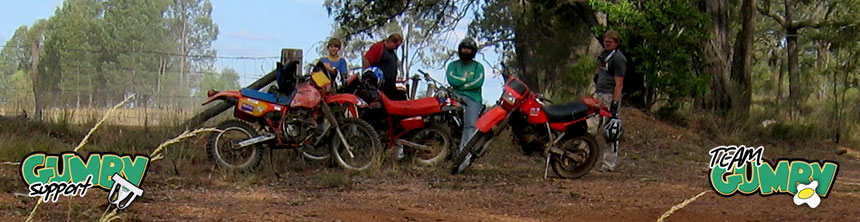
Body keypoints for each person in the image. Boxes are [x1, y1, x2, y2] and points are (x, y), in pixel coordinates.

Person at [589, 30, 626, 172]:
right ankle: (584, 156)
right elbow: (599, 71)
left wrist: (615, 104)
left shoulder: (618, 59)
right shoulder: (604, 56)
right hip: (598, 94)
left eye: (610, 42)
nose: (607, 44)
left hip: (610, 96)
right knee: (590, 125)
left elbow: (619, 84)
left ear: (616, 43)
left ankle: (609, 163)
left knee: (610, 130)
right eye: (606, 41)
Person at [446, 37, 485, 153]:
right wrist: (466, 81)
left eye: (468, 49)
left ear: (473, 51)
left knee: (470, 125)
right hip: (455, 96)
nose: (466, 51)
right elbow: (451, 79)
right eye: (464, 48)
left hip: (473, 99)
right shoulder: (453, 65)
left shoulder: (478, 67)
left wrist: (462, 84)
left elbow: (477, 83)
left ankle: (464, 155)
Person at [363, 34, 404, 100]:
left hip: (390, 87)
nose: (396, 48)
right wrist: (369, 77)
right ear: (391, 42)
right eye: (396, 46)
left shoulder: (392, 53)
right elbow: (367, 59)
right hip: (380, 87)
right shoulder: (379, 47)